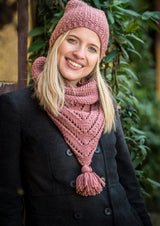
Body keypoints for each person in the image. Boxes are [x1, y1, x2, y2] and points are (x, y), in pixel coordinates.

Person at [0, 0, 152, 225]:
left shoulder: (105, 101)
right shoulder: (17, 107)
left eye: (92, 48)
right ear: (57, 42)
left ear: (98, 58)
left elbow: (128, 181)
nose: (80, 54)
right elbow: (6, 197)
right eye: (72, 40)